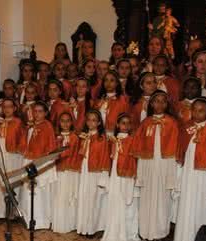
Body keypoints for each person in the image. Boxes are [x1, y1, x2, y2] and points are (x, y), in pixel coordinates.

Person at [132, 90, 179, 240]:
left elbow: (175, 147)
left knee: (163, 198)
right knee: (147, 197)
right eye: (156, 101)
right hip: (148, 165)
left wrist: (172, 170)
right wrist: (140, 170)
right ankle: (145, 230)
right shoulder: (145, 123)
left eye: (163, 101)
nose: (159, 104)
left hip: (165, 165)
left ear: (167, 104)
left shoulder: (172, 123)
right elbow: (139, 147)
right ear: (151, 104)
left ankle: (160, 231)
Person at [174, 97, 206, 241]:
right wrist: (179, 176)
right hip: (189, 174)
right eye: (194, 110)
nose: (197, 113)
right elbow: (180, 152)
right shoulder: (186, 128)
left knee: (203, 204)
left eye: (201, 111)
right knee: (187, 204)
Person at [19, 101, 57, 229]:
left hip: (41, 162)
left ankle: (41, 221)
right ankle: (28, 218)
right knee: (27, 191)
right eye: (35, 111)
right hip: (29, 160)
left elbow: (50, 146)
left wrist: (46, 163)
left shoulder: (47, 126)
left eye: (40, 111)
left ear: (46, 113)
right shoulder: (30, 126)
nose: (37, 114)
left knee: (40, 192)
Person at [102, 113, 139, 241]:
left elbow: (134, 159)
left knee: (126, 203)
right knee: (115, 200)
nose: (125, 125)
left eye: (128, 123)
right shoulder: (112, 140)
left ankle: (126, 233)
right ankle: (113, 232)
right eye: (123, 123)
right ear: (117, 125)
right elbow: (109, 158)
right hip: (114, 175)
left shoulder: (132, 140)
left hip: (126, 175)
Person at [0, 98, 24, 219]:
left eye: (9, 106)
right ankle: (1, 213)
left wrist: (19, 150)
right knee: (0, 182)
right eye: (4, 107)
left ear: (14, 108)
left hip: (13, 156)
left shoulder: (18, 122)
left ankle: (13, 213)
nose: (7, 109)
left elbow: (22, 140)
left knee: (13, 181)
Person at [76, 109, 110, 236]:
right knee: (84, 198)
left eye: (94, 120)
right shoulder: (84, 137)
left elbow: (105, 157)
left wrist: (103, 175)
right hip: (84, 171)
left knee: (93, 200)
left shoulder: (101, 139)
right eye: (89, 120)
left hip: (95, 173)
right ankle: (82, 227)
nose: (91, 122)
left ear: (99, 123)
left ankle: (91, 228)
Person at [52, 112, 80, 233]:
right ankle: (60, 223)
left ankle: (70, 223)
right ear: (59, 123)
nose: (65, 123)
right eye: (62, 121)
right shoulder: (56, 137)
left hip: (71, 171)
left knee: (70, 196)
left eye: (68, 120)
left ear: (72, 122)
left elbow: (77, 154)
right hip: (59, 171)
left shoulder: (75, 137)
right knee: (59, 196)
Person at [94, 71, 129, 136]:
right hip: (100, 135)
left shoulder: (122, 100)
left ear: (117, 83)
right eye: (106, 80)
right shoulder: (99, 100)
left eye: (112, 80)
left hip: (115, 135)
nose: (108, 83)